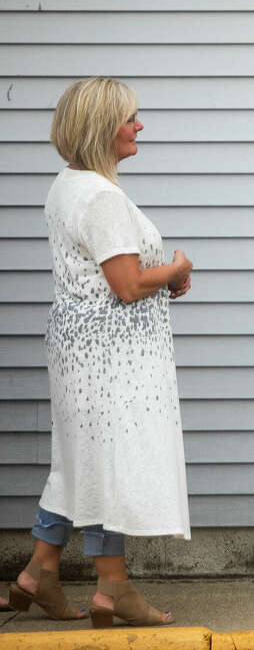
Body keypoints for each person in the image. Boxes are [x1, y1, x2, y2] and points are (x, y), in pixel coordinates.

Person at [7, 77, 192, 629]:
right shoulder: (102, 197)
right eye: (130, 117)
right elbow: (127, 284)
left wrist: (162, 280)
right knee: (110, 465)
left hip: (79, 348)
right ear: (99, 128)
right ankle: (116, 589)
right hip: (111, 358)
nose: (140, 126)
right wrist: (178, 268)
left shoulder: (68, 184)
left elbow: (109, 274)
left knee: (79, 462)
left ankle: (39, 573)